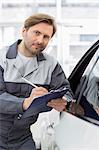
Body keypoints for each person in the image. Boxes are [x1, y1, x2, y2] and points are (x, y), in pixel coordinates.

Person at [0, 13, 74, 150]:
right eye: (37, 33)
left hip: (23, 139)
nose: (40, 40)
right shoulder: (1, 59)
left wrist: (63, 101)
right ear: (24, 31)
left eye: (46, 37)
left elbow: (67, 92)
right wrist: (25, 103)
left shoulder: (51, 65)